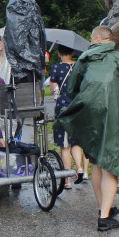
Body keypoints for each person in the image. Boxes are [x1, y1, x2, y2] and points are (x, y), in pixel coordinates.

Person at [56, 25, 119, 231]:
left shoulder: (84, 58)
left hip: (89, 115)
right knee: (110, 165)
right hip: (113, 116)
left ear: (97, 38)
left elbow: (71, 89)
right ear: (109, 39)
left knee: (97, 162)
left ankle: (103, 208)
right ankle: (104, 218)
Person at [48, 44, 84, 189]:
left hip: (63, 107)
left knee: (65, 145)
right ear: (73, 52)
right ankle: (79, 168)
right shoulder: (80, 67)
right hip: (77, 106)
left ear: (58, 53)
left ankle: (67, 180)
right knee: (75, 142)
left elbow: (53, 89)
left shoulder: (56, 68)